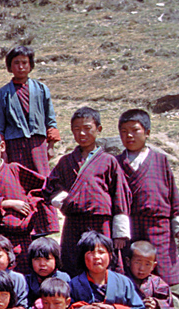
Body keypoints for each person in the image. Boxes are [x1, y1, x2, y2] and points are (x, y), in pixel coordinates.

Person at [45, 107, 131, 275]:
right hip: (74, 222)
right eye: (77, 129)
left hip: (101, 222)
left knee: (102, 262)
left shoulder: (108, 161)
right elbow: (51, 186)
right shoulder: (66, 161)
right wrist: (63, 199)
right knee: (73, 261)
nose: (82, 134)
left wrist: (120, 232)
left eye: (87, 128)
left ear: (98, 129)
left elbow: (120, 194)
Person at [118, 108, 179, 290]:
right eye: (124, 132)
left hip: (158, 226)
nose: (129, 136)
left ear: (147, 133)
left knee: (162, 267)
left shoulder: (160, 160)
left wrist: (178, 220)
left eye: (135, 130)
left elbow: (173, 193)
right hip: (129, 226)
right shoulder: (116, 163)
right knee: (130, 268)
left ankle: (170, 300)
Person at [0, 128, 56, 262]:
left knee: (23, 274)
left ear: (2, 146)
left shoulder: (15, 169)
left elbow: (42, 187)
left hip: (20, 236)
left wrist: (30, 205)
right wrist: (9, 203)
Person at [0, 45, 59, 176]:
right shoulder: (3, 93)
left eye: (24, 62)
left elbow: (50, 119)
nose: (21, 67)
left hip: (37, 144)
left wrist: (50, 146)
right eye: (16, 63)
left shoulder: (41, 89)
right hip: (15, 145)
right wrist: (3, 151)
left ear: (30, 65)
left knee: (42, 179)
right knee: (18, 179)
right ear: (10, 67)